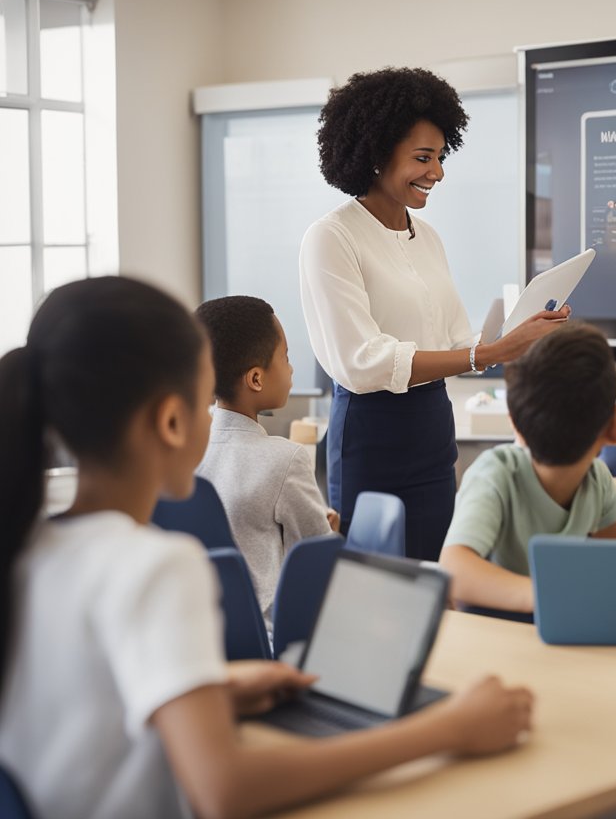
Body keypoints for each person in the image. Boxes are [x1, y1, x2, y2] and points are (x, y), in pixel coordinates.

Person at [0, 276, 532, 819]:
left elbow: (90, 715)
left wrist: (218, 689)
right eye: (203, 398)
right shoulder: (155, 567)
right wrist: (446, 730)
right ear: (171, 420)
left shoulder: (29, 548)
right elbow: (226, 790)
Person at [300, 67, 569, 560]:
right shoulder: (331, 238)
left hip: (432, 430)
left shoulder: (429, 238)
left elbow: (455, 340)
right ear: (376, 155)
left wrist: (519, 336)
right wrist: (485, 353)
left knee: (435, 581)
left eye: (440, 158)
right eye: (423, 158)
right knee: (377, 589)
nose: (437, 172)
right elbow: (364, 362)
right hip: (371, 433)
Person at [438, 324, 616, 613]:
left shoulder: (595, 481)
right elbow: (454, 569)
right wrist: (549, 596)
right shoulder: (496, 474)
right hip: (496, 644)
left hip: (559, 640)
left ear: (514, 423)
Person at [195, 295, 338, 630]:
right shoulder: (285, 459)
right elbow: (320, 561)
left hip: (208, 635)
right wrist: (330, 530)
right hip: (272, 640)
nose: (291, 368)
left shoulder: (187, 454)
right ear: (256, 379)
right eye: (285, 358)